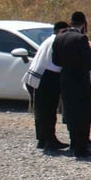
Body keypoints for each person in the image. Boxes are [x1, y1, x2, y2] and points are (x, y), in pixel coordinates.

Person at [52, 11, 91, 158]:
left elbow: (56, 60)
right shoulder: (81, 38)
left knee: (70, 111)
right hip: (80, 78)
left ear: (70, 22)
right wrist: (90, 52)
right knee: (82, 112)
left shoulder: (59, 37)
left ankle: (73, 143)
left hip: (65, 78)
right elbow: (89, 61)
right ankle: (81, 145)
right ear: (84, 23)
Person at [24, 21, 68, 151]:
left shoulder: (50, 40)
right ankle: (49, 140)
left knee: (41, 111)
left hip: (37, 77)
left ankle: (43, 139)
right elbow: (56, 62)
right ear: (60, 31)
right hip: (46, 78)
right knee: (48, 111)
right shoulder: (56, 41)